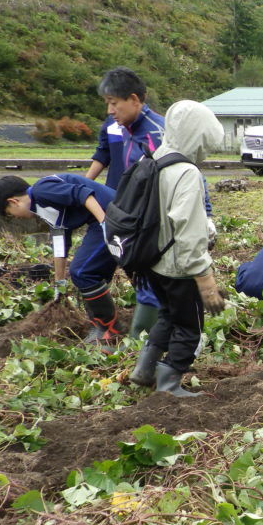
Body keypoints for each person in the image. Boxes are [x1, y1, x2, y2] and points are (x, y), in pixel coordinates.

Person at [85, 67, 215, 337]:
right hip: (123, 216)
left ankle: (144, 341)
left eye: (113, 103)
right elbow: (103, 155)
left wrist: (206, 216)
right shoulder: (116, 127)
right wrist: (85, 187)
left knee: (150, 280)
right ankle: (130, 335)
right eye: (107, 103)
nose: (110, 110)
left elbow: (191, 176)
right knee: (94, 271)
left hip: (150, 221)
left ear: (134, 99)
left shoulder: (158, 133)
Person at [128, 101, 225, 397]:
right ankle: (169, 386)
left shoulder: (156, 158)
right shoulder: (186, 172)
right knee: (189, 327)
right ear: (198, 136)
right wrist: (205, 280)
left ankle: (144, 369)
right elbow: (189, 231)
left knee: (168, 315)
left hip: (153, 261)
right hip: (179, 267)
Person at [0, 173, 121, 347]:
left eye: (11, 214)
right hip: (106, 218)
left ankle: (107, 330)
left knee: (82, 271)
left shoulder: (42, 190)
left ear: (13, 202)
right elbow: (60, 245)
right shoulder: (44, 209)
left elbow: (84, 195)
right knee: (95, 273)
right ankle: (103, 326)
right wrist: (59, 284)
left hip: (111, 215)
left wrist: (105, 223)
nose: (16, 217)